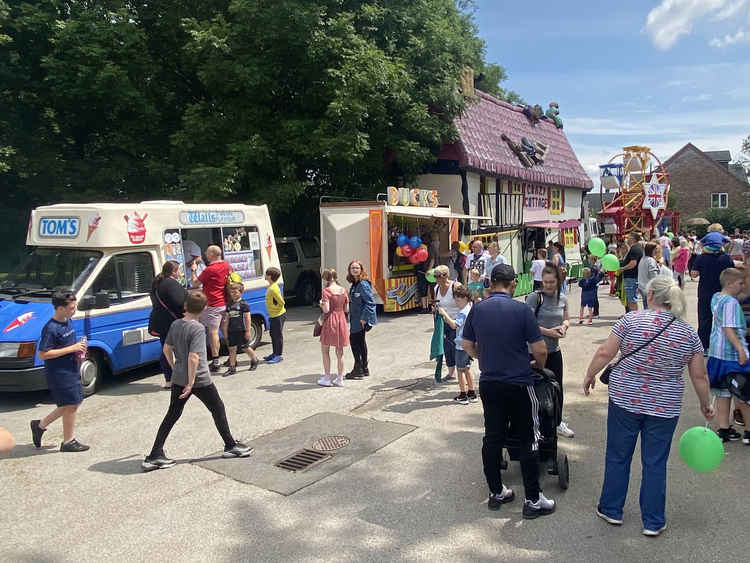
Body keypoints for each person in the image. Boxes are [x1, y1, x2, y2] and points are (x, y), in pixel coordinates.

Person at [583, 276, 714, 536]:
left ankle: (611, 509)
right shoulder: (687, 332)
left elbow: (605, 353)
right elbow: (699, 375)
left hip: (625, 401)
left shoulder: (631, 320)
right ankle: (653, 521)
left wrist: (590, 374)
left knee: (618, 455)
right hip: (665, 407)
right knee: (655, 462)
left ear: (651, 294)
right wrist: (705, 404)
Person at [463, 264, 555, 518]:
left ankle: (496, 491)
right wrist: (539, 366)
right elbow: (540, 350)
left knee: (493, 437)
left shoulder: (478, 309)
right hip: (519, 383)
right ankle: (533, 499)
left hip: (490, 383)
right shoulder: (521, 309)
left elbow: (467, 344)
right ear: (513, 283)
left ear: (492, 283)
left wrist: (482, 356)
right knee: (529, 438)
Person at [142, 290, 252, 471]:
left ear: (185, 306)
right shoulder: (198, 328)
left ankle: (155, 454)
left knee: (172, 415)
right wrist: (191, 382)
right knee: (217, 408)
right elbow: (194, 357)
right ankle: (230, 445)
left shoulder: (176, 324)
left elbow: (167, 349)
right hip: (199, 379)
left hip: (178, 377)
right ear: (204, 308)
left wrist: (175, 367)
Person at [30, 290, 90, 452]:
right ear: (60, 308)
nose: (74, 310)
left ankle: (40, 425)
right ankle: (68, 441)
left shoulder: (67, 321)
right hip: (59, 372)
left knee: (73, 402)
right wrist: (72, 348)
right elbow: (43, 354)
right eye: (71, 308)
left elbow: (66, 346)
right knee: (71, 404)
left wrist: (78, 351)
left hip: (71, 367)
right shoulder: (51, 328)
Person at [525, 264, 574, 438]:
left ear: (558, 281)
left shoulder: (563, 299)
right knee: (535, 387)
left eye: (552, 282)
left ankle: (558, 422)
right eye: (545, 282)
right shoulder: (534, 298)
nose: (548, 285)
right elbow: (528, 325)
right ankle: (534, 423)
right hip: (535, 350)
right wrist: (549, 332)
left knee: (556, 386)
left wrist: (563, 327)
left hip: (554, 349)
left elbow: (567, 319)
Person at [705, 268, 750, 443]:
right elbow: (728, 328)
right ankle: (748, 431)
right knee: (744, 395)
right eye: (740, 283)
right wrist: (740, 349)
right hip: (732, 356)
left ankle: (724, 429)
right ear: (731, 284)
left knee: (722, 393)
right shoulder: (731, 303)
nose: (743, 285)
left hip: (717, 354)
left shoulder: (717, 297)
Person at [691, 231, 734, 351]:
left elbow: (694, 274)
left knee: (704, 319)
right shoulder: (726, 258)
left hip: (705, 293)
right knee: (722, 320)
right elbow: (732, 273)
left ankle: (704, 346)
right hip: (722, 293)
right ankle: (721, 346)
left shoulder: (701, 258)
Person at [191, 244, 232, 372]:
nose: (205, 254)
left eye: (207, 252)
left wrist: (193, 270)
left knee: (213, 332)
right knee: (225, 332)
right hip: (224, 303)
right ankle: (232, 357)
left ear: (212, 255)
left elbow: (195, 283)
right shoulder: (227, 266)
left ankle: (216, 361)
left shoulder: (209, 270)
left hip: (212, 304)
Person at [148, 260, 186, 388]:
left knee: (165, 350)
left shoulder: (156, 283)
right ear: (174, 271)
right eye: (178, 270)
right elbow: (180, 302)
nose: (179, 272)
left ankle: (169, 379)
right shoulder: (171, 284)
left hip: (160, 322)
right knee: (180, 350)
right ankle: (182, 377)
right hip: (172, 322)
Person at [438, 284, 476, 404]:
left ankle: (463, 394)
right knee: (467, 368)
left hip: (461, 345)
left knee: (460, 371)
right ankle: (472, 392)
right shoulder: (471, 308)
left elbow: (455, 325)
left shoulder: (462, 312)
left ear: (465, 298)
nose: (456, 302)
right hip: (470, 344)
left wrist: (444, 314)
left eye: (458, 300)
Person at [317, 269, 350, 387]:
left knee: (325, 350)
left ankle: (327, 378)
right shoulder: (343, 290)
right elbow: (347, 309)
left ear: (325, 279)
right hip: (341, 320)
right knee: (340, 352)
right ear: (336, 277)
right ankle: (340, 378)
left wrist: (321, 303)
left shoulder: (326, 291)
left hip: (330, 320)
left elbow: (326, 309)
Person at [346, 260, 377, 379]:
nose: (354, 270)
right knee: (360, 342)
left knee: (355, 342)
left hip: (360, 320)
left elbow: (370, 303)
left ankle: (357, 368)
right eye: (352, 268)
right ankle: (364, 368)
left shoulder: (363, 284)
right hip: (355, 319)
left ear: (361, 270)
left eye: (357, 268)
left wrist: (364, 318)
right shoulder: (355, 284)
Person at [222, 282, 259, 375]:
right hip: (231, 330)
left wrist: (247, 331)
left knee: (245, 347)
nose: (233, 294)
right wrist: (225, 330)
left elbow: (247, 318)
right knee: (232, 349)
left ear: (241, 292)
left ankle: (254, 359)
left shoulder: (244, 304)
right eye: (231, 292)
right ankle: (232, 367)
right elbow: (226, 318)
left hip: (241, 330)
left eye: (235, 292)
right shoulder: (229, 305)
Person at [433, 265, 460, 382]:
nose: (437, 279)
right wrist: (434, 309)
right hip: (444, 323)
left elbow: (466, 303)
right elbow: (437, 304)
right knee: (446, 348)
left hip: (457, 321)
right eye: (435, 276)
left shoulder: (456, 286)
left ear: (446, 275)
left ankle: (463, 374)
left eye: (439, 276)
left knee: (457, 348)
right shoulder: (436, 289)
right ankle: (451, 373)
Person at [264, 266, 286, 364]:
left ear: (270, 276)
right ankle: (274, 353)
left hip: (277, 315)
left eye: (266, 274)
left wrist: (275, 309)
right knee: (273, 334)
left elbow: (281, 302)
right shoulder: (271, 286)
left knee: (277, 335)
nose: (265, 275)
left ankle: (278, 355)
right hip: (273, 315)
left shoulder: (273, 288)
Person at [618, 232, 643, 312]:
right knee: (630, 299)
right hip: (632, 277)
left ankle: (634, 318)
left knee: (631, 300)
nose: (627, 239)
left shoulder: (634, 249)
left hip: (631, 277)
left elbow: (633, 263)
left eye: (628, 237)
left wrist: (623, 268)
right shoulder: (636, 248)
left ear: (633, 239)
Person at [637, 242, 660, 309]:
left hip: (642, 286)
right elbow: (654, 276)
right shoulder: (650, 260)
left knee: (646, 307)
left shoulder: (643, 259)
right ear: (652, 250)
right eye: (656, 249)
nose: (657, 250)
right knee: (651, 308)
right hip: (649, 288)